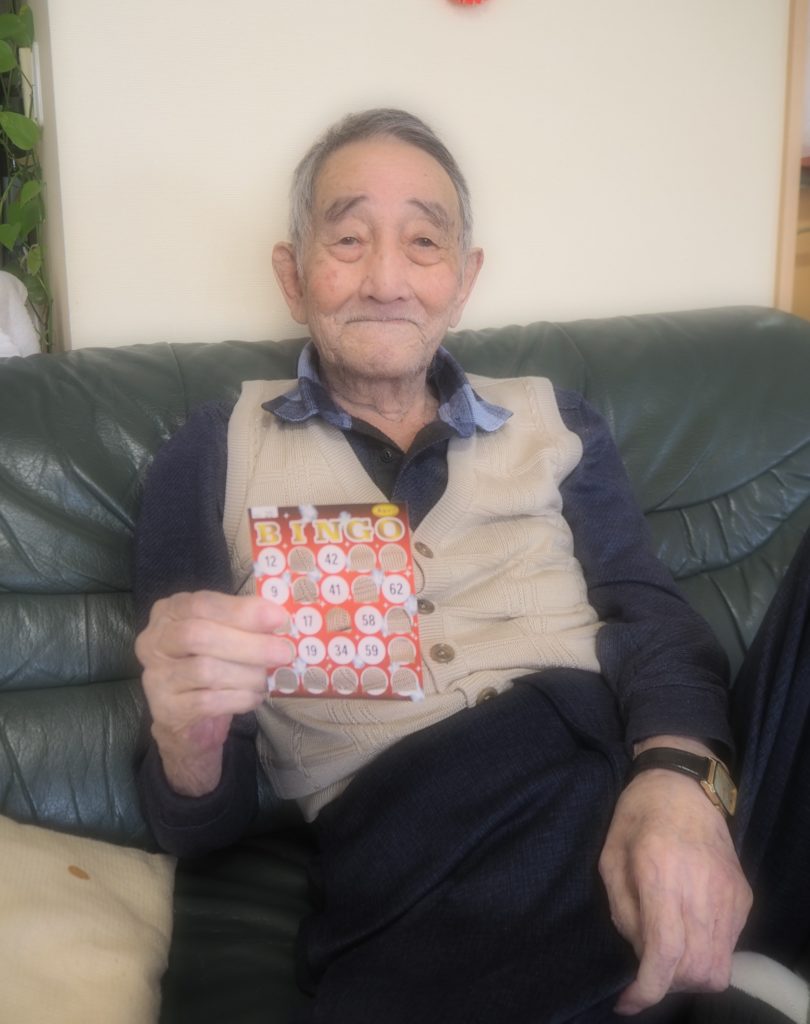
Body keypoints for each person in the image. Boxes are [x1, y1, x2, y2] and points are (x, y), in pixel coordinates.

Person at [134, 108, 810, 1023]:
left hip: (641, 754)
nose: (386, 280)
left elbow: (652, 618)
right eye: (347, 240)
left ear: (463, 280)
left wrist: (679, 781)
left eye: (423, 242)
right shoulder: (210, 452)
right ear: (292, 277)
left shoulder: (556, 418)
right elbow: (200, 824)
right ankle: (721, 965)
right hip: (434, 826)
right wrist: (188, 735)